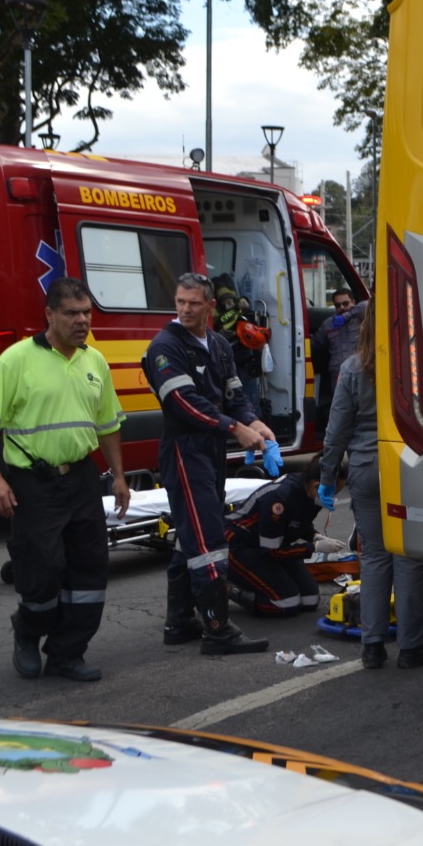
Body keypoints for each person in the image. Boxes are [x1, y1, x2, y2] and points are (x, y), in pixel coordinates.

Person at [0, 277, 130, 683]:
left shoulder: (94, 362)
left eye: (87, 313)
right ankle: (27, 630)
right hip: (32, 483)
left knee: (90, 569)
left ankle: (66, 653)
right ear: (50, 315)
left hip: (80, 478)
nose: (82, 321)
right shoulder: (15, 360)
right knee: (42, 568)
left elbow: (108, 425)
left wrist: (119, 477)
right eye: (72, 313)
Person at [144, 272, 274, 655]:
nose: (185, 309)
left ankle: (180, 620)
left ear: (210, 307)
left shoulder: (218, 344)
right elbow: (183, 403)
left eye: (194, 303)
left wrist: (253, 420)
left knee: (192, 533)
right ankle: (217, 630)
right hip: (185, 450)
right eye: (180, 302)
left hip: (210, 450)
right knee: (208, 539)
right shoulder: (165, 346)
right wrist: (234, 427)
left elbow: (234, 393)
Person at [319, 303, 423, 670]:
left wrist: (327, 478)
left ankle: (372, 646)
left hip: (364, 468)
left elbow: (336, 431)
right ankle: (411, 646)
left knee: (373, 555)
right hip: (406, 467)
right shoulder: (417, 366)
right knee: (408, 555)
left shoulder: (353, 368)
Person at [224, 455, 348, 616]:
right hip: (240, 546)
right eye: (333, 493)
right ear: (317, 485)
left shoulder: (311, 493)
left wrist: (314, 536)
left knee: (310, 599)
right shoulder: (280, 499)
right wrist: (313, 547)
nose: (332, 499)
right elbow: (272, 551)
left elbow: (298, 522)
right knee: (286, 603)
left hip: (274, 544)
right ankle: (228, 588)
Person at [311, 289, 365, 433]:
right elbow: (316, 344)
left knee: (361, 415)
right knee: (341, 416)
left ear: (353, 302)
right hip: (338, 377)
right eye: (337, 305)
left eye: (346, 303)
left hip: (360, 375)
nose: (341, 308)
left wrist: (348, 315)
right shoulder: (329, 324)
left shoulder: (360, 319)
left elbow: (369, 304)